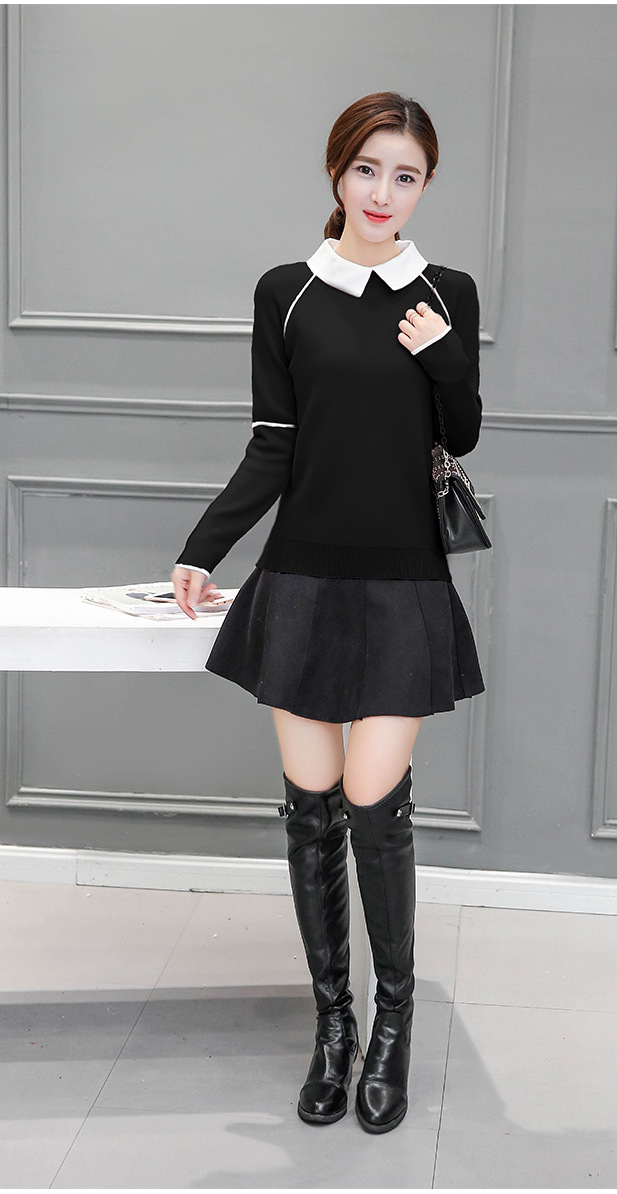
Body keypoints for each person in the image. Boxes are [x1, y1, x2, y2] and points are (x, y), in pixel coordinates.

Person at [170, 91, 485, 1135]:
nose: (383, 193)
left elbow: (462, 432)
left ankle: (394, 1026)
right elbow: (275, 441)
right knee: (309, 808)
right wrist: (202, 549)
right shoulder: (288, 291)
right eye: (366, 170)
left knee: (371, 797)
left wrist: (442, 355)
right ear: (337, 173)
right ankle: (334, 1026)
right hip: (302, 578)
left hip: (403, 582)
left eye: (406, 176)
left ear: (424, 186)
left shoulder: (444, 291)